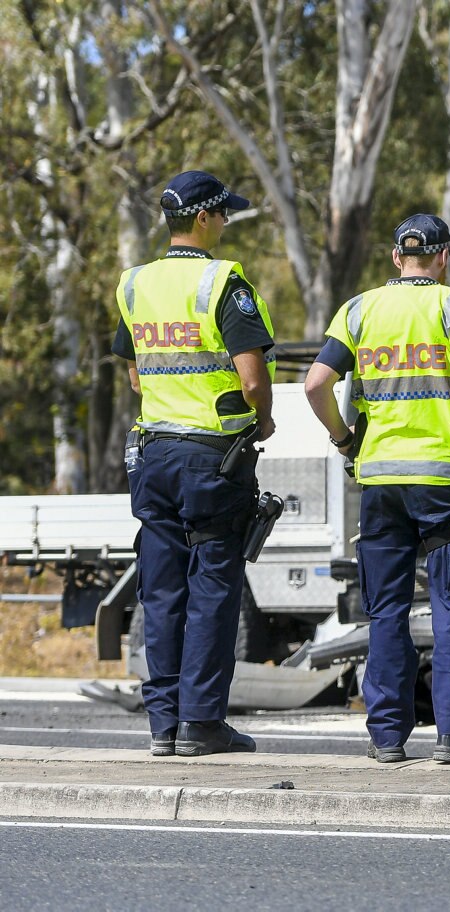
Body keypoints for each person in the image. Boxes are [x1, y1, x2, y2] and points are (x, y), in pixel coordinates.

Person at [304, 213, 450, 765]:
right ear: (441, 259)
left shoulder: (359, 310)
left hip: (381, 481)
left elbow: (316, 383)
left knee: (386, 610)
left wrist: (345, 440)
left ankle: (388, 737)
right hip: (442, 479)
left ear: (397, 258)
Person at [113, 170, 275, 757]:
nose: (227, 222)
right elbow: (253, 376)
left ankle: (162, 726)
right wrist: (264, 418)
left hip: (153, 452)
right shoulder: (223, 282)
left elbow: (132, 369)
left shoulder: (134, 284)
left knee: (160, 591)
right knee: (212, 589)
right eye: (224, 213)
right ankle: (202, 724)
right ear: (204, 218)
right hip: (213, 456)